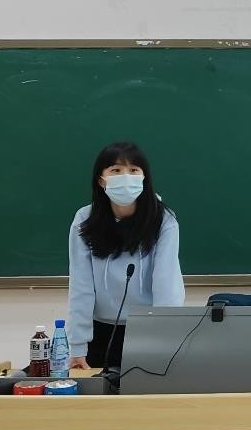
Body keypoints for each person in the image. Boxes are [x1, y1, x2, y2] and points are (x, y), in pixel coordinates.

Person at [68, 142, 184, 369]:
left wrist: (166, 339)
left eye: (133, 170)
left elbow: (166, 284)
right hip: (100, 331)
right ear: (101, 180)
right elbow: (81, 286)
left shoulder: (163, 220)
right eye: (116, 170)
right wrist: (78, 346)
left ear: (144, 178)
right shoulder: (84, 219)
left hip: (148, 329)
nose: (126, 177)